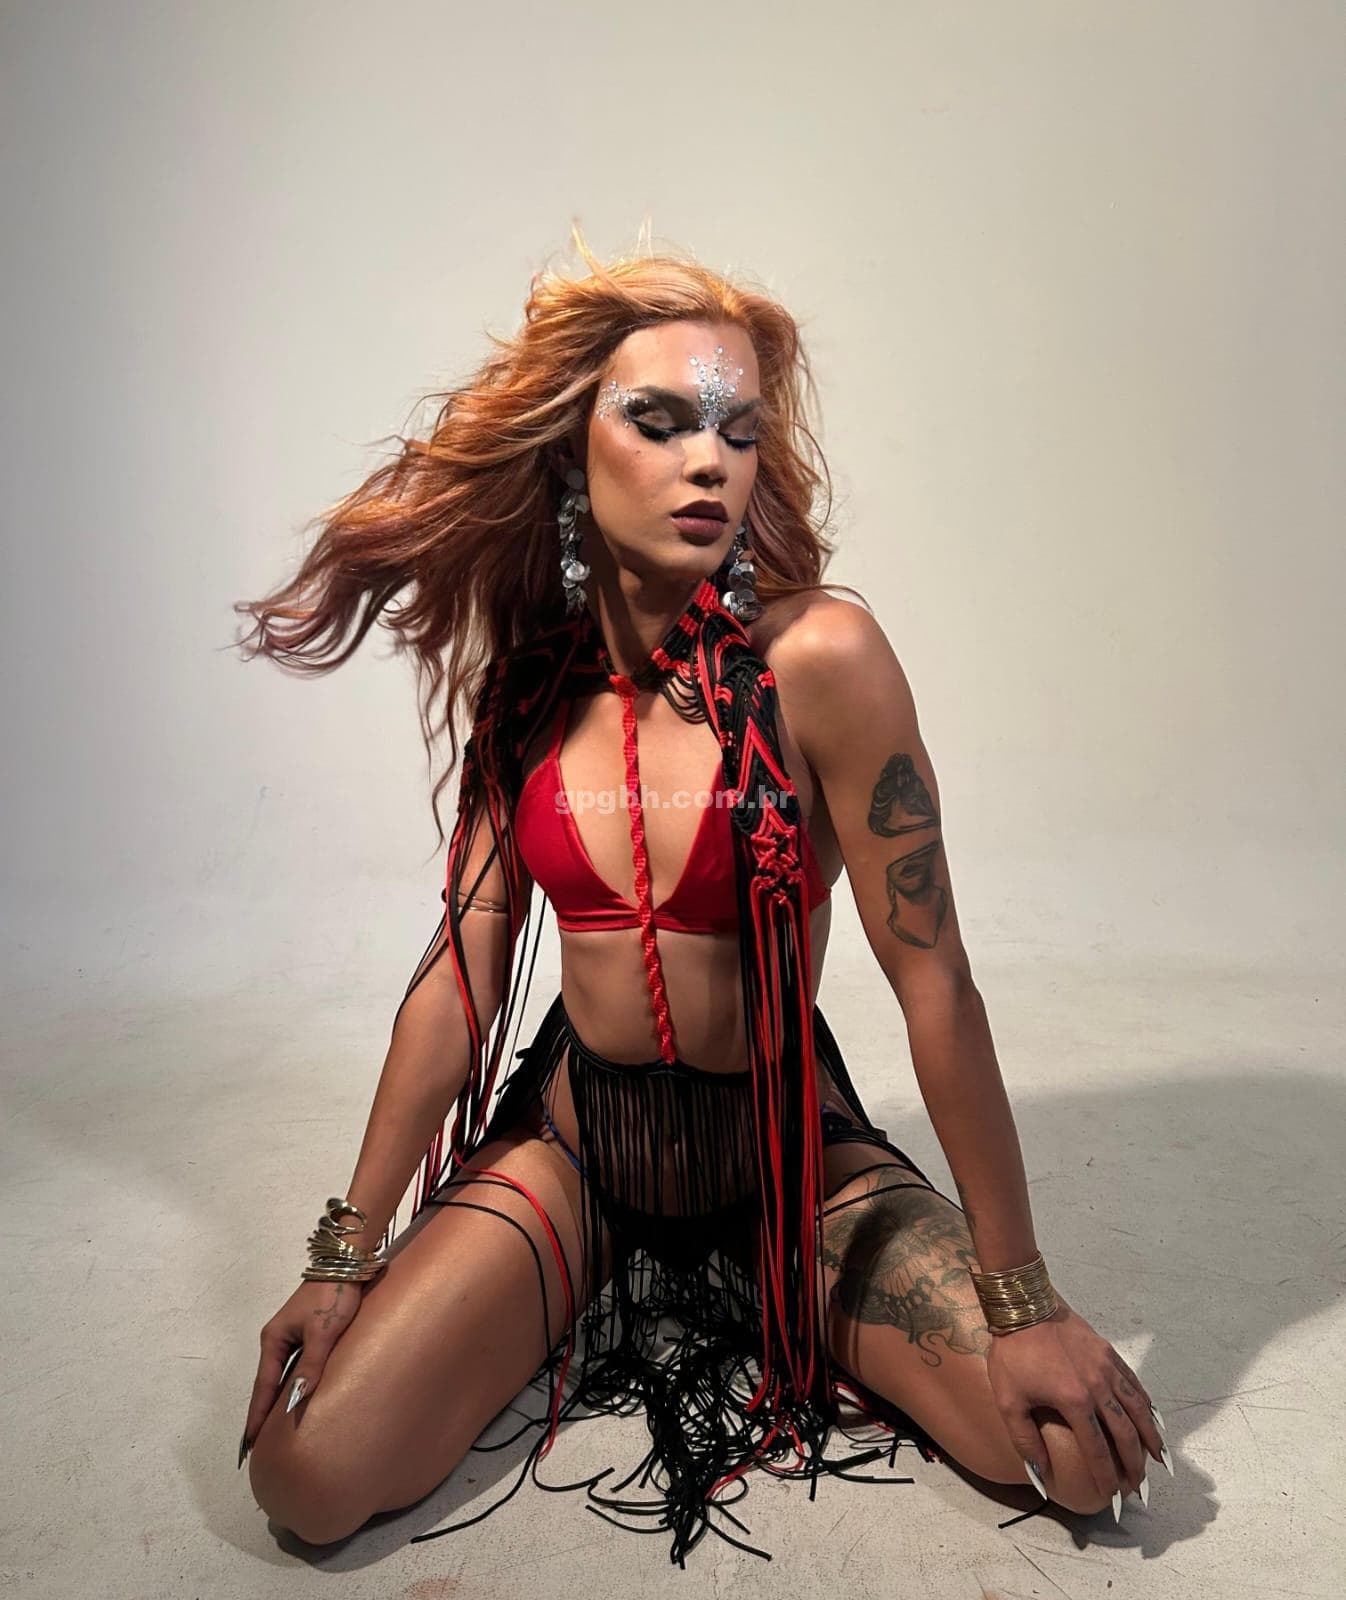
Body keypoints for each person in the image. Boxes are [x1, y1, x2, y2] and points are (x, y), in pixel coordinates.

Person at [232, 237, 1169, 1566]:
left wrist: (1021, 1296)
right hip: (582, 1149)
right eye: (660, 421)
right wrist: (343, 1255)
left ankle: (751, 1279)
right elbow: (461, 978)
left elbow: (935, 982)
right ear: (574, 452)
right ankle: (595, 1270)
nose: (709, 461)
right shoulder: (528, 688)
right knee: (306, 1474)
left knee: (1077, 1456)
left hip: (780, 1157)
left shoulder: (822, 658)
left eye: (737, 430)